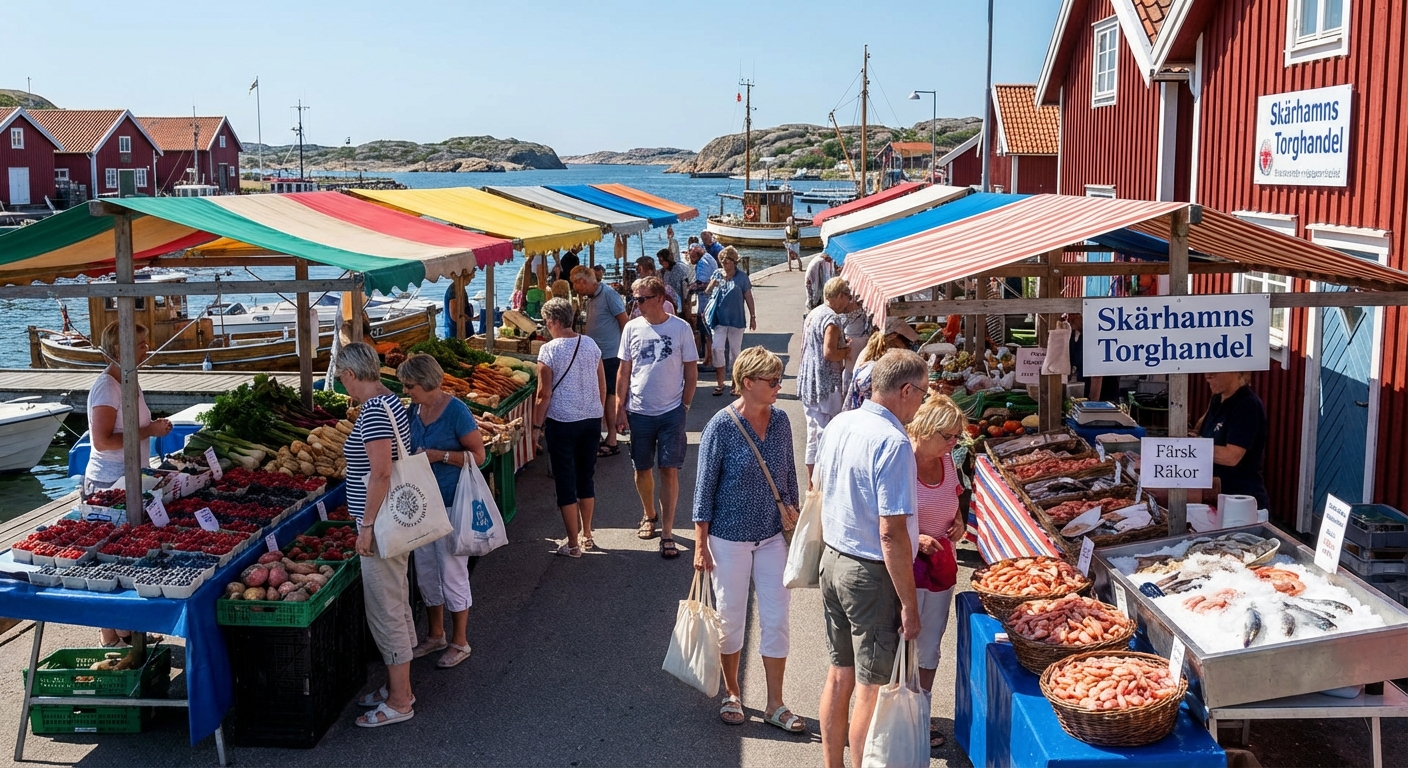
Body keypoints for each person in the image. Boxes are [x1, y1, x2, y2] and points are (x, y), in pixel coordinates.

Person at [814, 350, 928, 768]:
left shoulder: (840, 423)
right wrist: (910, 604)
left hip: (834, 559)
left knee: (839, 674)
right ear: (906, 390)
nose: (922, 403)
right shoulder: (893, 442)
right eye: (923, 394)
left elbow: (819, 486)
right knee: (871, 687)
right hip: (870, 573)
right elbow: (890, 532)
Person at [693, 346, 805, 734]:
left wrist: (795, 519)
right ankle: (732, 692)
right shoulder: (720, 426)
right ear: (747, 383)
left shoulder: (782, 421)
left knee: (777, 619)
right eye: (772, 380)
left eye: (779, 379)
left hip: (773, 535)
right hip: (728, 538)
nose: (778, 386)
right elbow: (704, 490)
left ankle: (775, 703)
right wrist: (700, 544)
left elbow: (788, 476)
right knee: (730, 617)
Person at [339, 341, 417, 727]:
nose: (342, 385)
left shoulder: (372, 412)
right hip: (395, 519)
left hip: (383, 522)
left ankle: (400, 701)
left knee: (385, 609)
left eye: (342, 378)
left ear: (351, 374)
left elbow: (381, 472)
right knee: (396, 600)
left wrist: (366, 526)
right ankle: (397, 687)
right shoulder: (390, 401)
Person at [85, 321, 173, 648]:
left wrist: (152, 428)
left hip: (132, 477)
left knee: (124, 555)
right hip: (109, 483)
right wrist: (150, 431)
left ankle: (122, 632)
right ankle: (113, 635)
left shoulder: (129, 381)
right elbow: (103, 441)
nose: (147, 349)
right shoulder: (108, 388)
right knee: (109, 557)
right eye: (140, 345)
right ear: (119, 349)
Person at [396, 353, 486, 669]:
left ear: (427, 383)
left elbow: (479, 456)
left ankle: (460, 641)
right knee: (426, 570)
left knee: (452, 571)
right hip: (421, 506)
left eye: (410, 385)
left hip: (451, 502)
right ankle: (436, 635)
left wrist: (440, 456)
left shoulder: (456, 411)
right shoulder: (413, 410)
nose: (406, 391)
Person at [616, 276, 699, 559]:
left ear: (659, 299)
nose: (636, 304)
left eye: (641, 299)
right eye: (634, 299)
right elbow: (624, 371)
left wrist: (685, 405)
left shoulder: (680, 328)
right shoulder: (631, 328)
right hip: (639, 411)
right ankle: (649, 514)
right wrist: (619, 407)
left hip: (671, 412)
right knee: (642, 469)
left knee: (669, 469)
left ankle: (667, 531)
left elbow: (691, 371)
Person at [906, 395, 968, 749]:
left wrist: (958, 520)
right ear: (927, 429)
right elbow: (881, 514)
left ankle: (921, 712)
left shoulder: (947, 459)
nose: (953, 443)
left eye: (957, 436)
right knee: (902, 640)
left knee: (930, 643)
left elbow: (953, 497)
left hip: (941, 565)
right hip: (906, 565)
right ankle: (897, 711)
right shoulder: (901, 458)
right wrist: (916, 538)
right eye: (948, 436)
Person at [534, 298, 607, 557]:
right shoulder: (590, 344)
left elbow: (544, 394)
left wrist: (535, 426)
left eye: (546, 321)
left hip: (562, 421)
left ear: (553, 321)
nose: (546, 326)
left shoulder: (548, 351)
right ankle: (587, 534)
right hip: (591, 420)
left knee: (565, 481)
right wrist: (598, 412)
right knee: (585, 477)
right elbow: (602, 384)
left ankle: (573, 544)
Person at [570, 265, 628, 457]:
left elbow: (624, 322)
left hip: (610, 355)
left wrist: (627, 352)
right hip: (597, 355)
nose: (574, 288)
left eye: (575, 284)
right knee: (601, 395)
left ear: (582, 282)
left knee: (609, 395)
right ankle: (605, 436)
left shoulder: (609, 295)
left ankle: (612, 439)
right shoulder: (592, 298)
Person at [798, 277, 852, 479]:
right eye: (848, 297)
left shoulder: (815, 313)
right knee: (825, 432)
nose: (848, 302)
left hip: (809, 379)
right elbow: (829, 353)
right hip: (825, 383)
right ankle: (823, 479)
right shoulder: (832, 319)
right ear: (840, 295)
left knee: (813, 432)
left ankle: (812, 481)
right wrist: (846, 350)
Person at [1194, 371, 1269, 510]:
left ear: (1236, 372)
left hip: (1240, 501)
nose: (1207, 376)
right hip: (1216, 497)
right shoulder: (1217, 399)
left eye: (1214, 372)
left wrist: (1189, 450)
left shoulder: (1246, 404)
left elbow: (1231, 456)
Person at [704, 246, 756, 396]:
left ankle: (735, 384)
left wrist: (753, 317)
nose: (724, 264)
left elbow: (748, 297)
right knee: (717, 349)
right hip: (719, 319)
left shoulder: (742, 277)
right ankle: (720, 383)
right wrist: (712, 284)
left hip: (736, 319)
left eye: (726, 261)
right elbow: (707, 292)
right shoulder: (717, 274)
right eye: (722, 261)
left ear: (734, 262)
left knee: (735, 352)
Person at [843, 319, 920, 412]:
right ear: (893, 337)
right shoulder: (874, 367)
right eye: (904, 342)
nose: (905, 347)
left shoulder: (873, 352)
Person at [658, 246, 693, 321]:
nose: (660, 263)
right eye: (659, 261)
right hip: (669, 299)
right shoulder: (665, 271)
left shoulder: (680, 269)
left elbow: (685, 286)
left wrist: (686, 302)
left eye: (662, 260)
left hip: (680, 299)